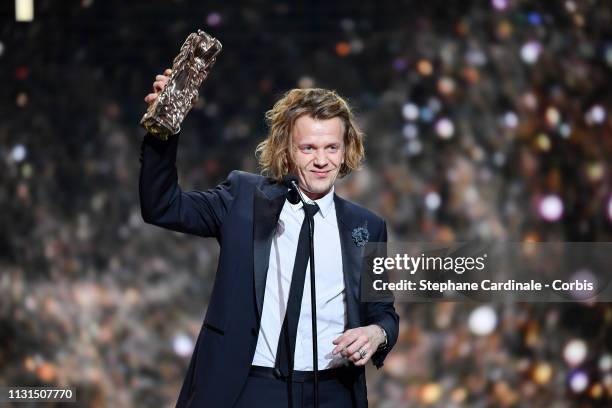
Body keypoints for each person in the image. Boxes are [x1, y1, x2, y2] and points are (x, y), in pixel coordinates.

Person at [140, 69, 399, 408]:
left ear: (346, 149)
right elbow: (163, 207)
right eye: (308, 147)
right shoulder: (243, 199)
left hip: (334, 391)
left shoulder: (366, 227)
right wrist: (163, 130)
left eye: (331, 147)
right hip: (252, 388)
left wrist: (375, 334)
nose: (321, 160)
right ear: (287, 150)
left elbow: (383, 313)